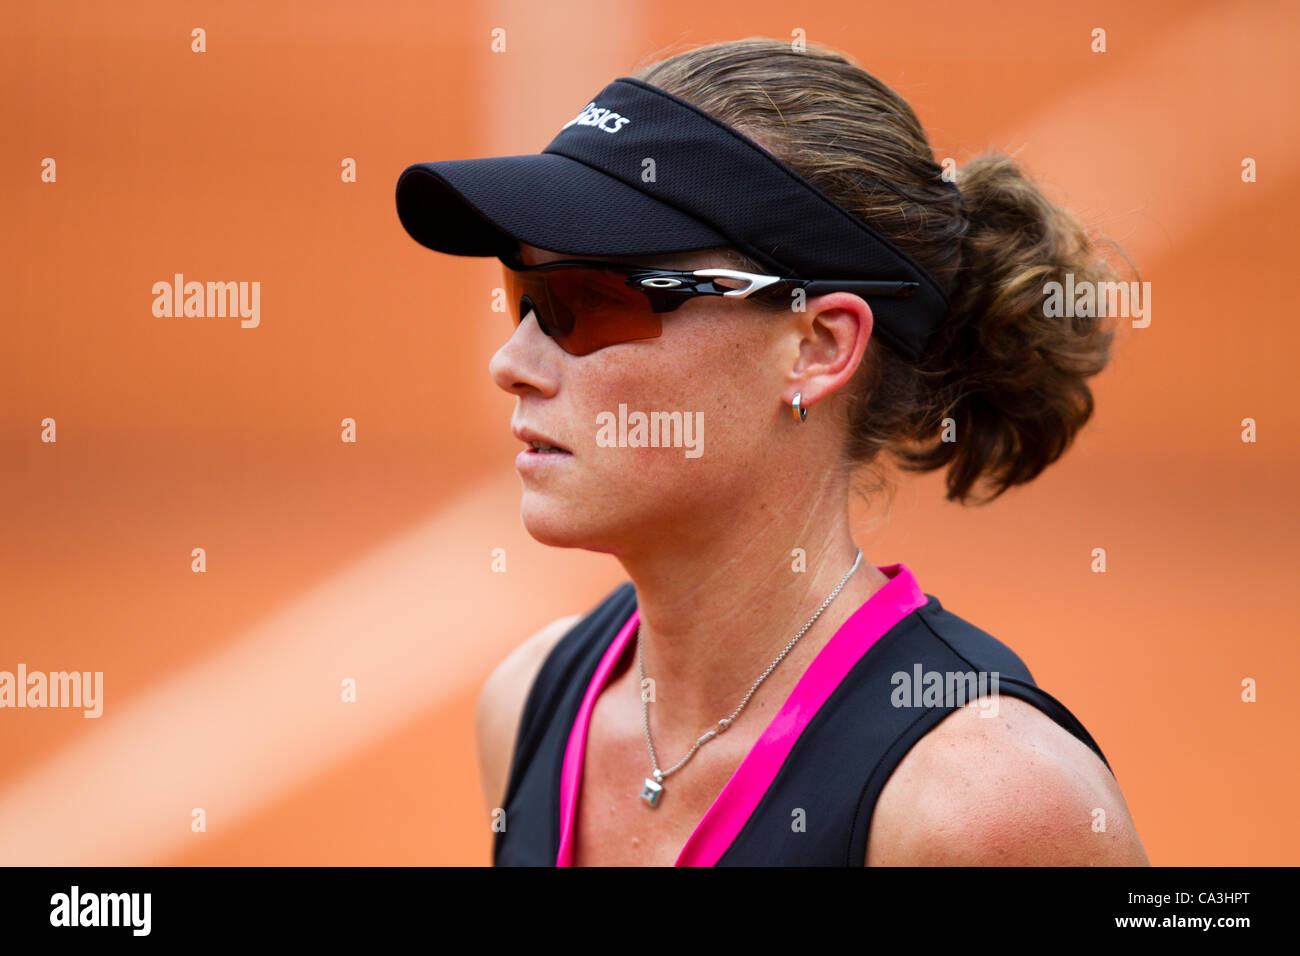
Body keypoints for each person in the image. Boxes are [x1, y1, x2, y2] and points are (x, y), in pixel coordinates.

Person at [395, 36, 1149, 866]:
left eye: (594, 300)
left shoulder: (977, 808)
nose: (513, 364)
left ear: (817, 347)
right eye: (526, 296)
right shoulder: (529, 704)